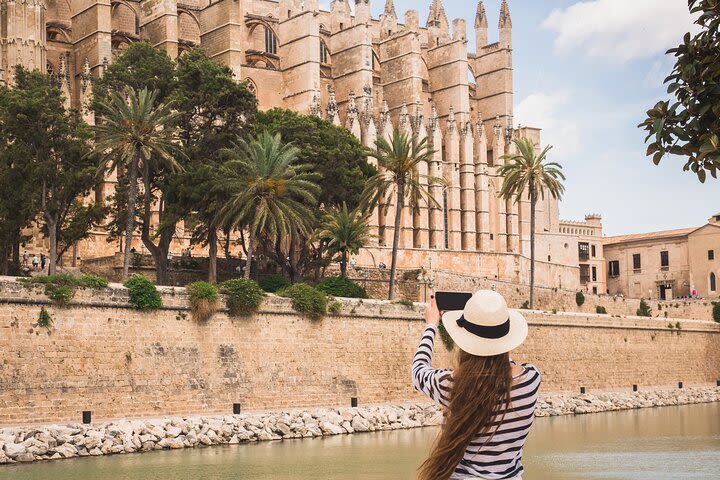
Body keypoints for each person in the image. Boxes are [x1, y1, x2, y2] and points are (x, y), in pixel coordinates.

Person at [413, 290, 541, 480]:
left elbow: (418, 371)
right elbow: (503, 362)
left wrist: (431, 325)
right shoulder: (531, 379)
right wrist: (490, 330)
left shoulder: (451, 385)